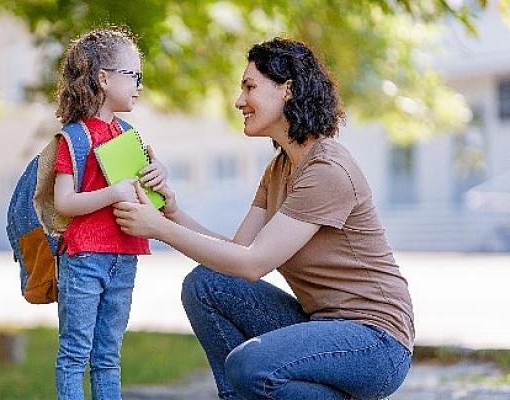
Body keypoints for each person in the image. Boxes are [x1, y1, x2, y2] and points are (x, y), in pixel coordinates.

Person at [112, 37, 414, 400]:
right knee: (207, 285)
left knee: (248, 365)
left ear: (287, 90)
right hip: (321, 326)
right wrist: (170, 213)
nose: (240, 101)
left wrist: (158, 228)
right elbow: (238, 252)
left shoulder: (327, 170)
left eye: (250, 87)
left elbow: (252, 264)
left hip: (375, 343)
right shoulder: (280, 168)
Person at [52, 28, 169, 400]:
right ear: (104, 79)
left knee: (108, 356)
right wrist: (111, 193)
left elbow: (148, 196)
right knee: (75, 353)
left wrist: (158, 175)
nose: (139, 85)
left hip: (125, 256)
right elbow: (64, 203)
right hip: (85, 258)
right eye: (133, 76)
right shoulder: (74, 137)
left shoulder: (130, 135)